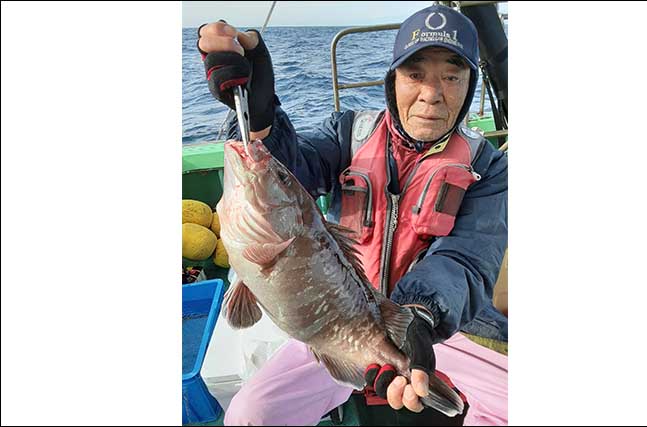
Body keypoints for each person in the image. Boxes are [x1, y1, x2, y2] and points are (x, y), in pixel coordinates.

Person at [197, 4, 508, 425]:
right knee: (252, 414)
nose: (432, 93)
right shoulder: (348, 132)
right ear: (392, 81)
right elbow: (290, 168)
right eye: (415, 74)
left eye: (452, 76)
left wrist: (415, 318)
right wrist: (260, 114)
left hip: (439, 325)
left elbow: (467, 259)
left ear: (469, 85)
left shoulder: (489, 167)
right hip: (332, 323)